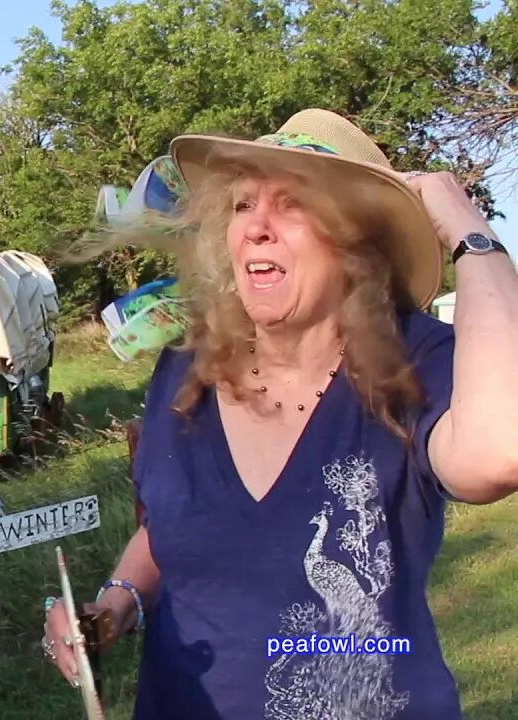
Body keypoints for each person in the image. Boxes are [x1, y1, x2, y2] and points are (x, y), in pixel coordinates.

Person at [42, 108, 518, 719]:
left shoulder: (416, 361)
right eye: (242, 205)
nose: (257, 228)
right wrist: (117, 602)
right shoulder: (185, 374)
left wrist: (469, 234)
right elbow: (171, 526)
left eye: (292, 204)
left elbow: (499, 452)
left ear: (356, 242)